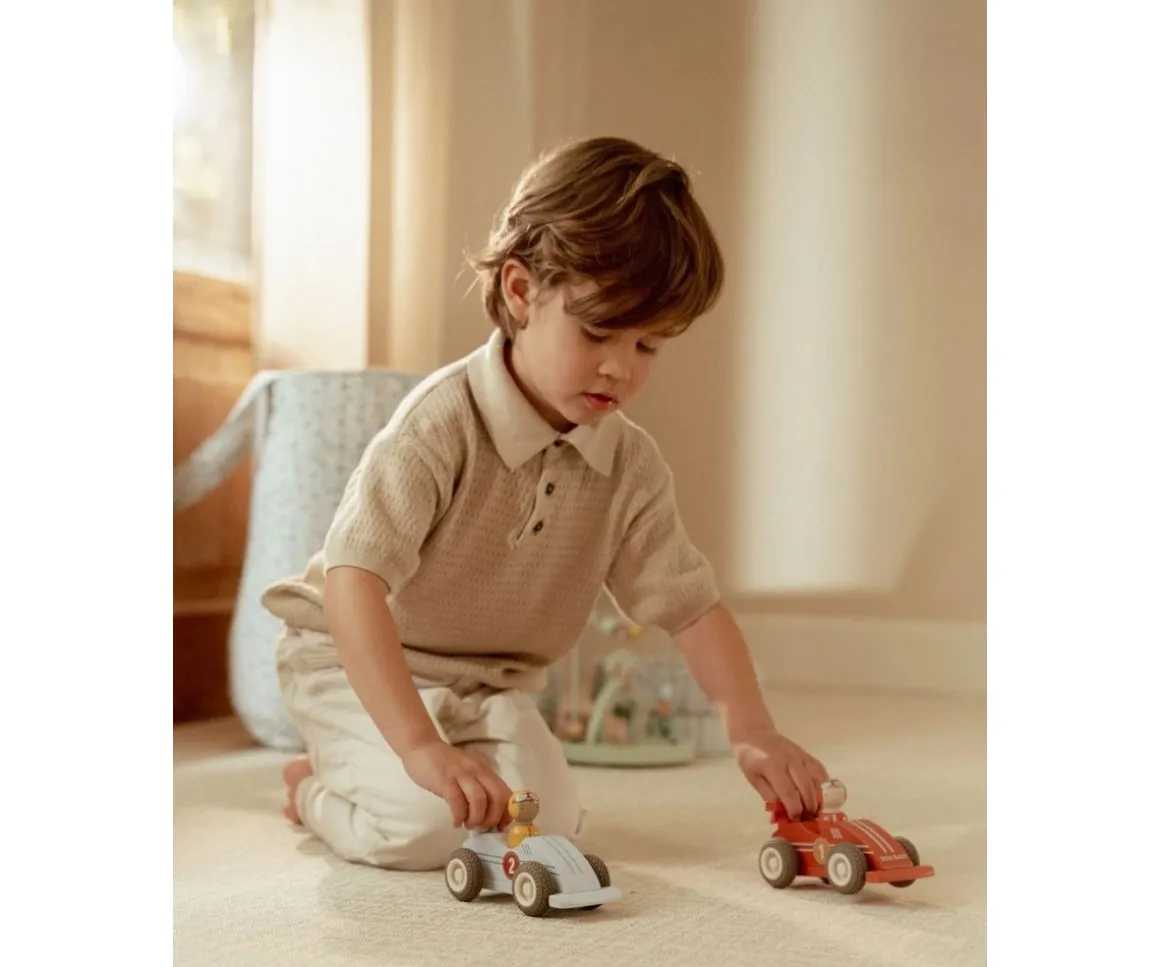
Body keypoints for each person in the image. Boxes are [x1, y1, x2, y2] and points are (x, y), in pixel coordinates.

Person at [261, 135, 830, 872]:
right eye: (598, 332)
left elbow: (691, 608)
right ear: (522, 293)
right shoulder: (440, 424)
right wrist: (420, 746)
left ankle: (393, 770)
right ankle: (309, 787)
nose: (620, 367)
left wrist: (752, 730)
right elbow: (353, 583)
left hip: (487, 686)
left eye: (649, 346)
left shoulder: (628, 465)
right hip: (352, 665)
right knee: (424, 827)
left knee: (546, 823)